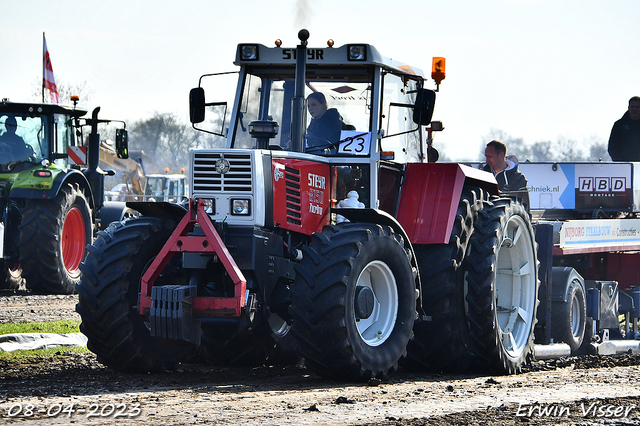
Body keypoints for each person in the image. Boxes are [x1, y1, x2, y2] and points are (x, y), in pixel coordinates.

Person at [607, 96, 640, 161]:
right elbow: (612, 146)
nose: (635, 109)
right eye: (632, 107)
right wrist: (619, 162)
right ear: (628, 108)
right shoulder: (619, 125)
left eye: (637, 107)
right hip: (623, 166)